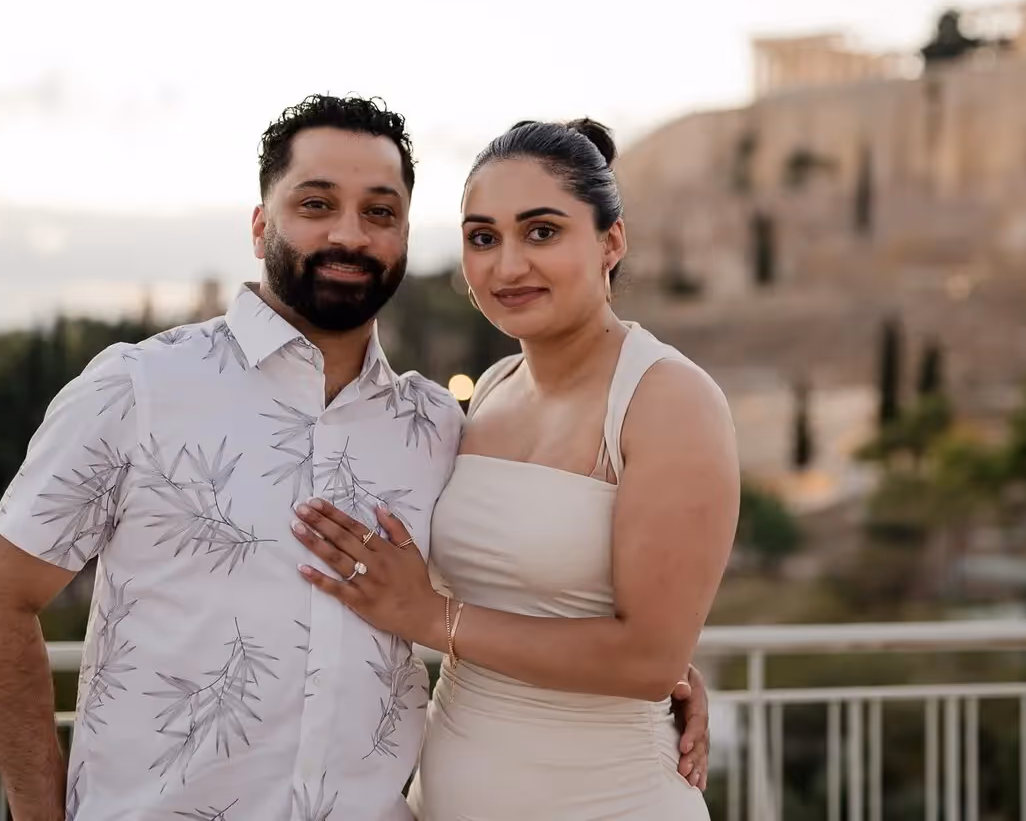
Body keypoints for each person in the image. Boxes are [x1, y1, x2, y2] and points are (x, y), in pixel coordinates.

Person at [0, 96, 710, 821]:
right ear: (261, 226)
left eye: (380, 212)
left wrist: (660, 672)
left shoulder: (436, 423)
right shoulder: (139, 388)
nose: (349, 234)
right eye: (316, 204)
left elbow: (517, 566)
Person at [291, 118, 741, 820]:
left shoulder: (667, 399)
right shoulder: (494, 389)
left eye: (542, 232)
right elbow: (522, 595)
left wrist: (431, 616)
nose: (506, 267)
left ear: (611, 242)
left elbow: (648, 660)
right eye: (483, 238)